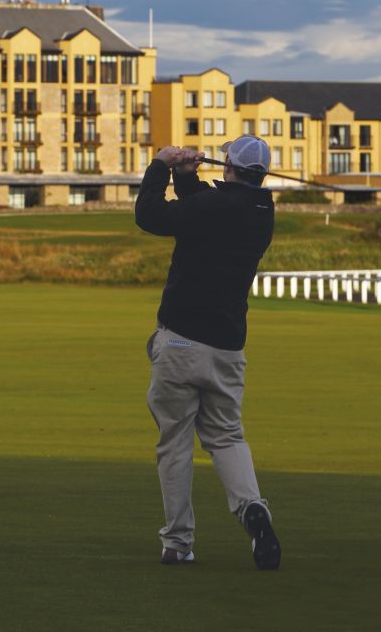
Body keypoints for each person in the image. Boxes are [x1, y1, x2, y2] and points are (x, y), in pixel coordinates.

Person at [134, 135, 281, 570]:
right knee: (226, 436)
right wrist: (187, 175)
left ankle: (178, 542)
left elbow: (151, 216)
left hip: (180, 342)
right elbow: (201, 209)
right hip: (227, 349)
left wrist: (161, 166)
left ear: (229, 167)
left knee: (175, 443)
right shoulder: (260, 212)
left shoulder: (214, 208)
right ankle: (251, 506)